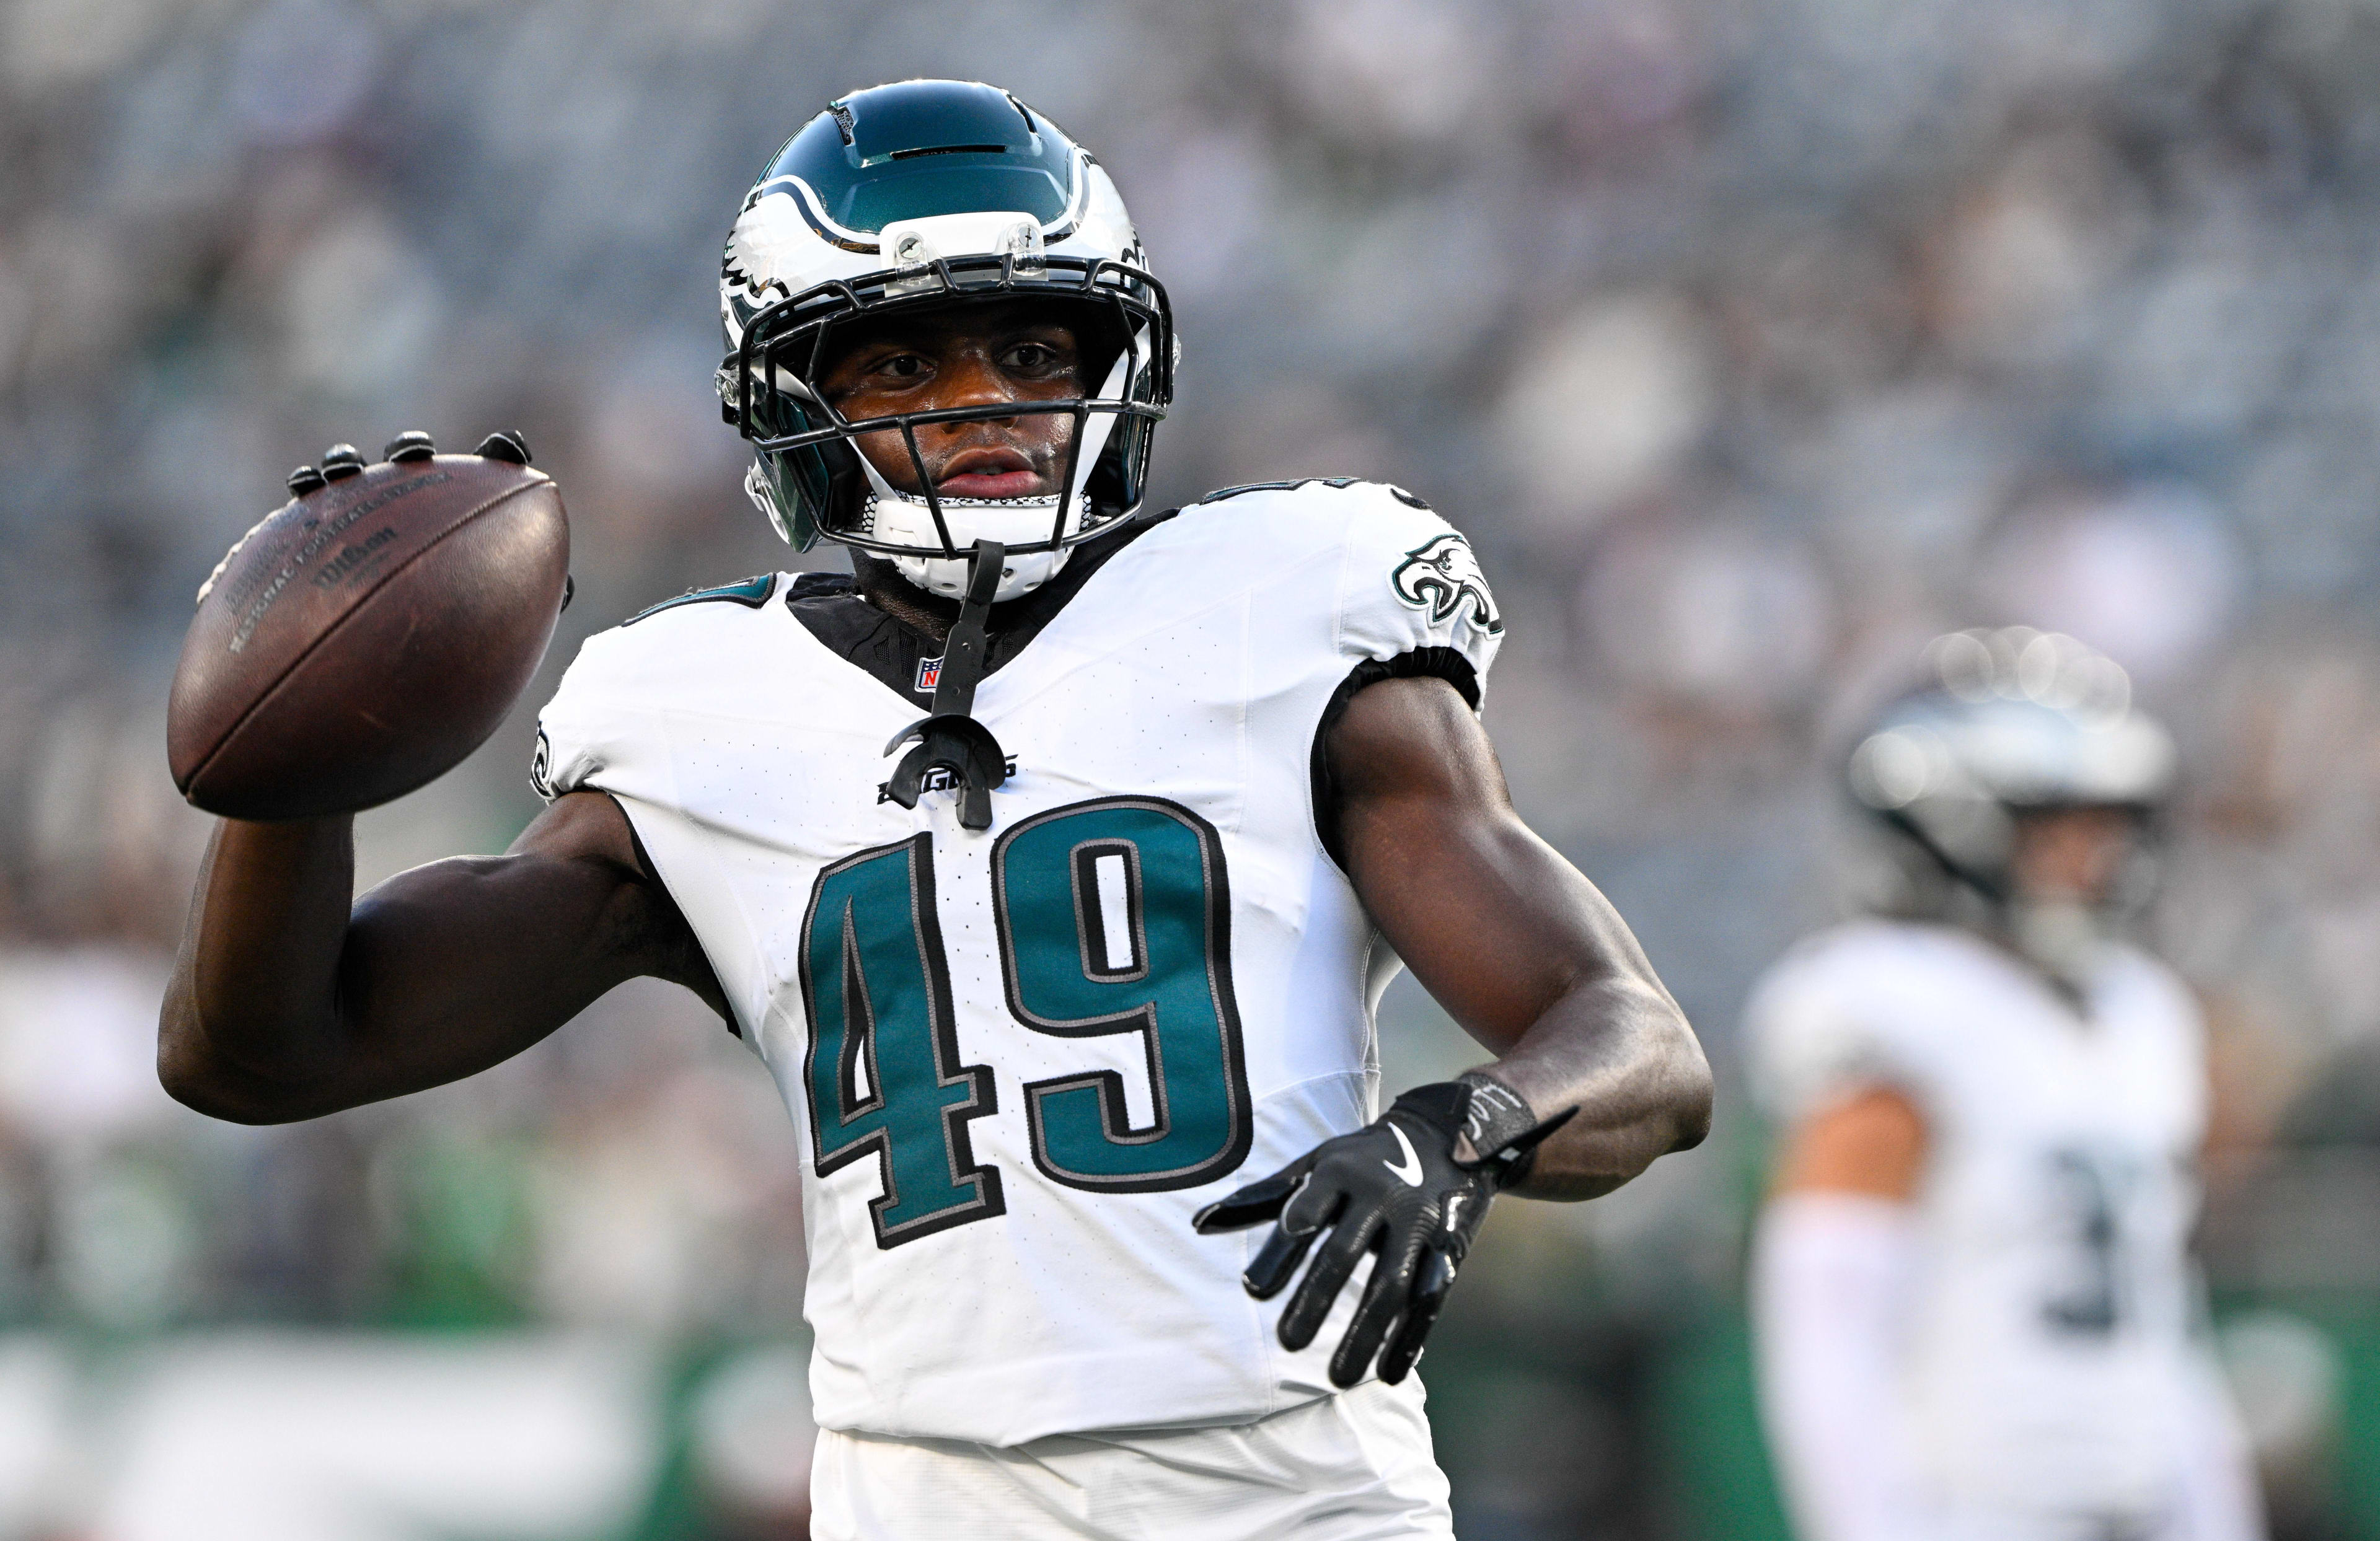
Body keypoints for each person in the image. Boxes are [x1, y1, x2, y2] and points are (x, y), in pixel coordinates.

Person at [159, 79, 1711, 1539]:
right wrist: (295, 762)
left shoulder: (1288, 608)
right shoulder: (695, 712)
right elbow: (263, 1049)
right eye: (906, 365)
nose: (987, 405)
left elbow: (1639, 1042)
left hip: (1294, 1499)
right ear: (795, 399)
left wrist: (1458, 1132)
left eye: (1033, 351)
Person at [1745, 627, 2264, 1541]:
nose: (2097, 858)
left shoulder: (2140, 1010)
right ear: (1950, 828)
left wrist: (2211, 1504)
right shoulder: (1894, 1003)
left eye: (2109, 827)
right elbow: (1828, 1334)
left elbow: (2164, 1318)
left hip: (2140, 1496)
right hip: (1976, 1511)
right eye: (2061, 828)